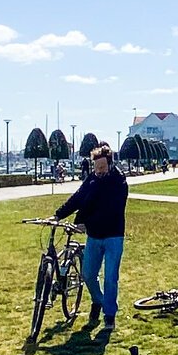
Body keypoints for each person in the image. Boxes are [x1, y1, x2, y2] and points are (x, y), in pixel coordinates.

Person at [53, 140, 129, 332]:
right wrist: (58, 214)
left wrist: (85, 222)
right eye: (96, 168)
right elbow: (78, 198)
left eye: (102, 167)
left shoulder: (119, 182)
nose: (99, 171)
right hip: (94, 237)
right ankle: (98, 301)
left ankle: (109, 316)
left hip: (113, 236)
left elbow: (109, 209)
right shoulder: (92, 179)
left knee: (110, 277)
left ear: (110, 164)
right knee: (88, 275)